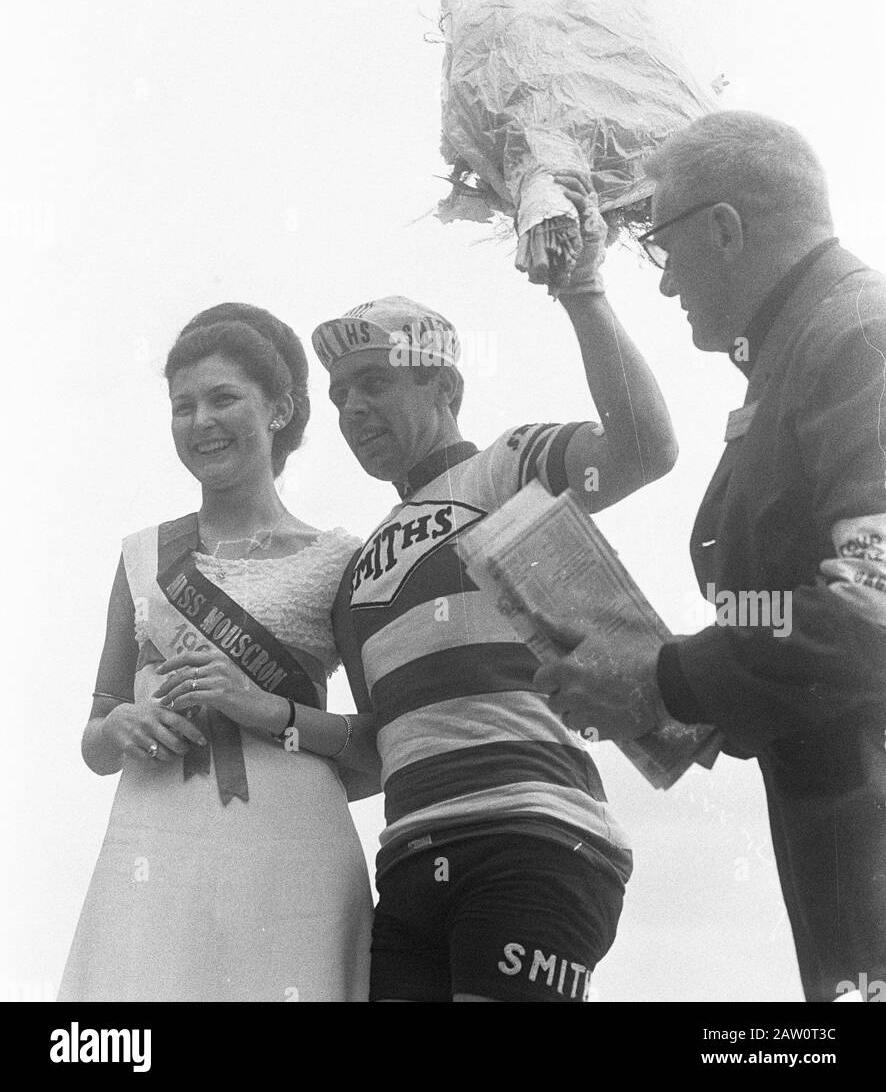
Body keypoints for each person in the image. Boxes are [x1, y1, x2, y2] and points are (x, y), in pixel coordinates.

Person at [534, 111, 886, 1003]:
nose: (663, 285)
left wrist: (668, 678)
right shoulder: (808, 349)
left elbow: (873, 602)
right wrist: (679, 686)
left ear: (726, 227)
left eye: (662, 247)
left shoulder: (856, 339)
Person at [312, 183, 678, 1002]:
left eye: (373, 380)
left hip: (536, 839)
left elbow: (647, 450)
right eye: (339, 393)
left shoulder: (508, 466)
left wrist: (581, 292)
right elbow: (379, 748)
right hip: (407, 864)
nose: (351, 406)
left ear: (445, 391)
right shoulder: (353, 572)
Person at [59, 302, 377, 1002]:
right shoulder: (142, 556)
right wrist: (117, 727)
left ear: (279, 409)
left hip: (293, 847)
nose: (200, 421)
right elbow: (96, 734)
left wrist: (265, 709)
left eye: (223, 398)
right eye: (182, 405)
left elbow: (378, 750)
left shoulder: (340, 559)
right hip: (155, 838)